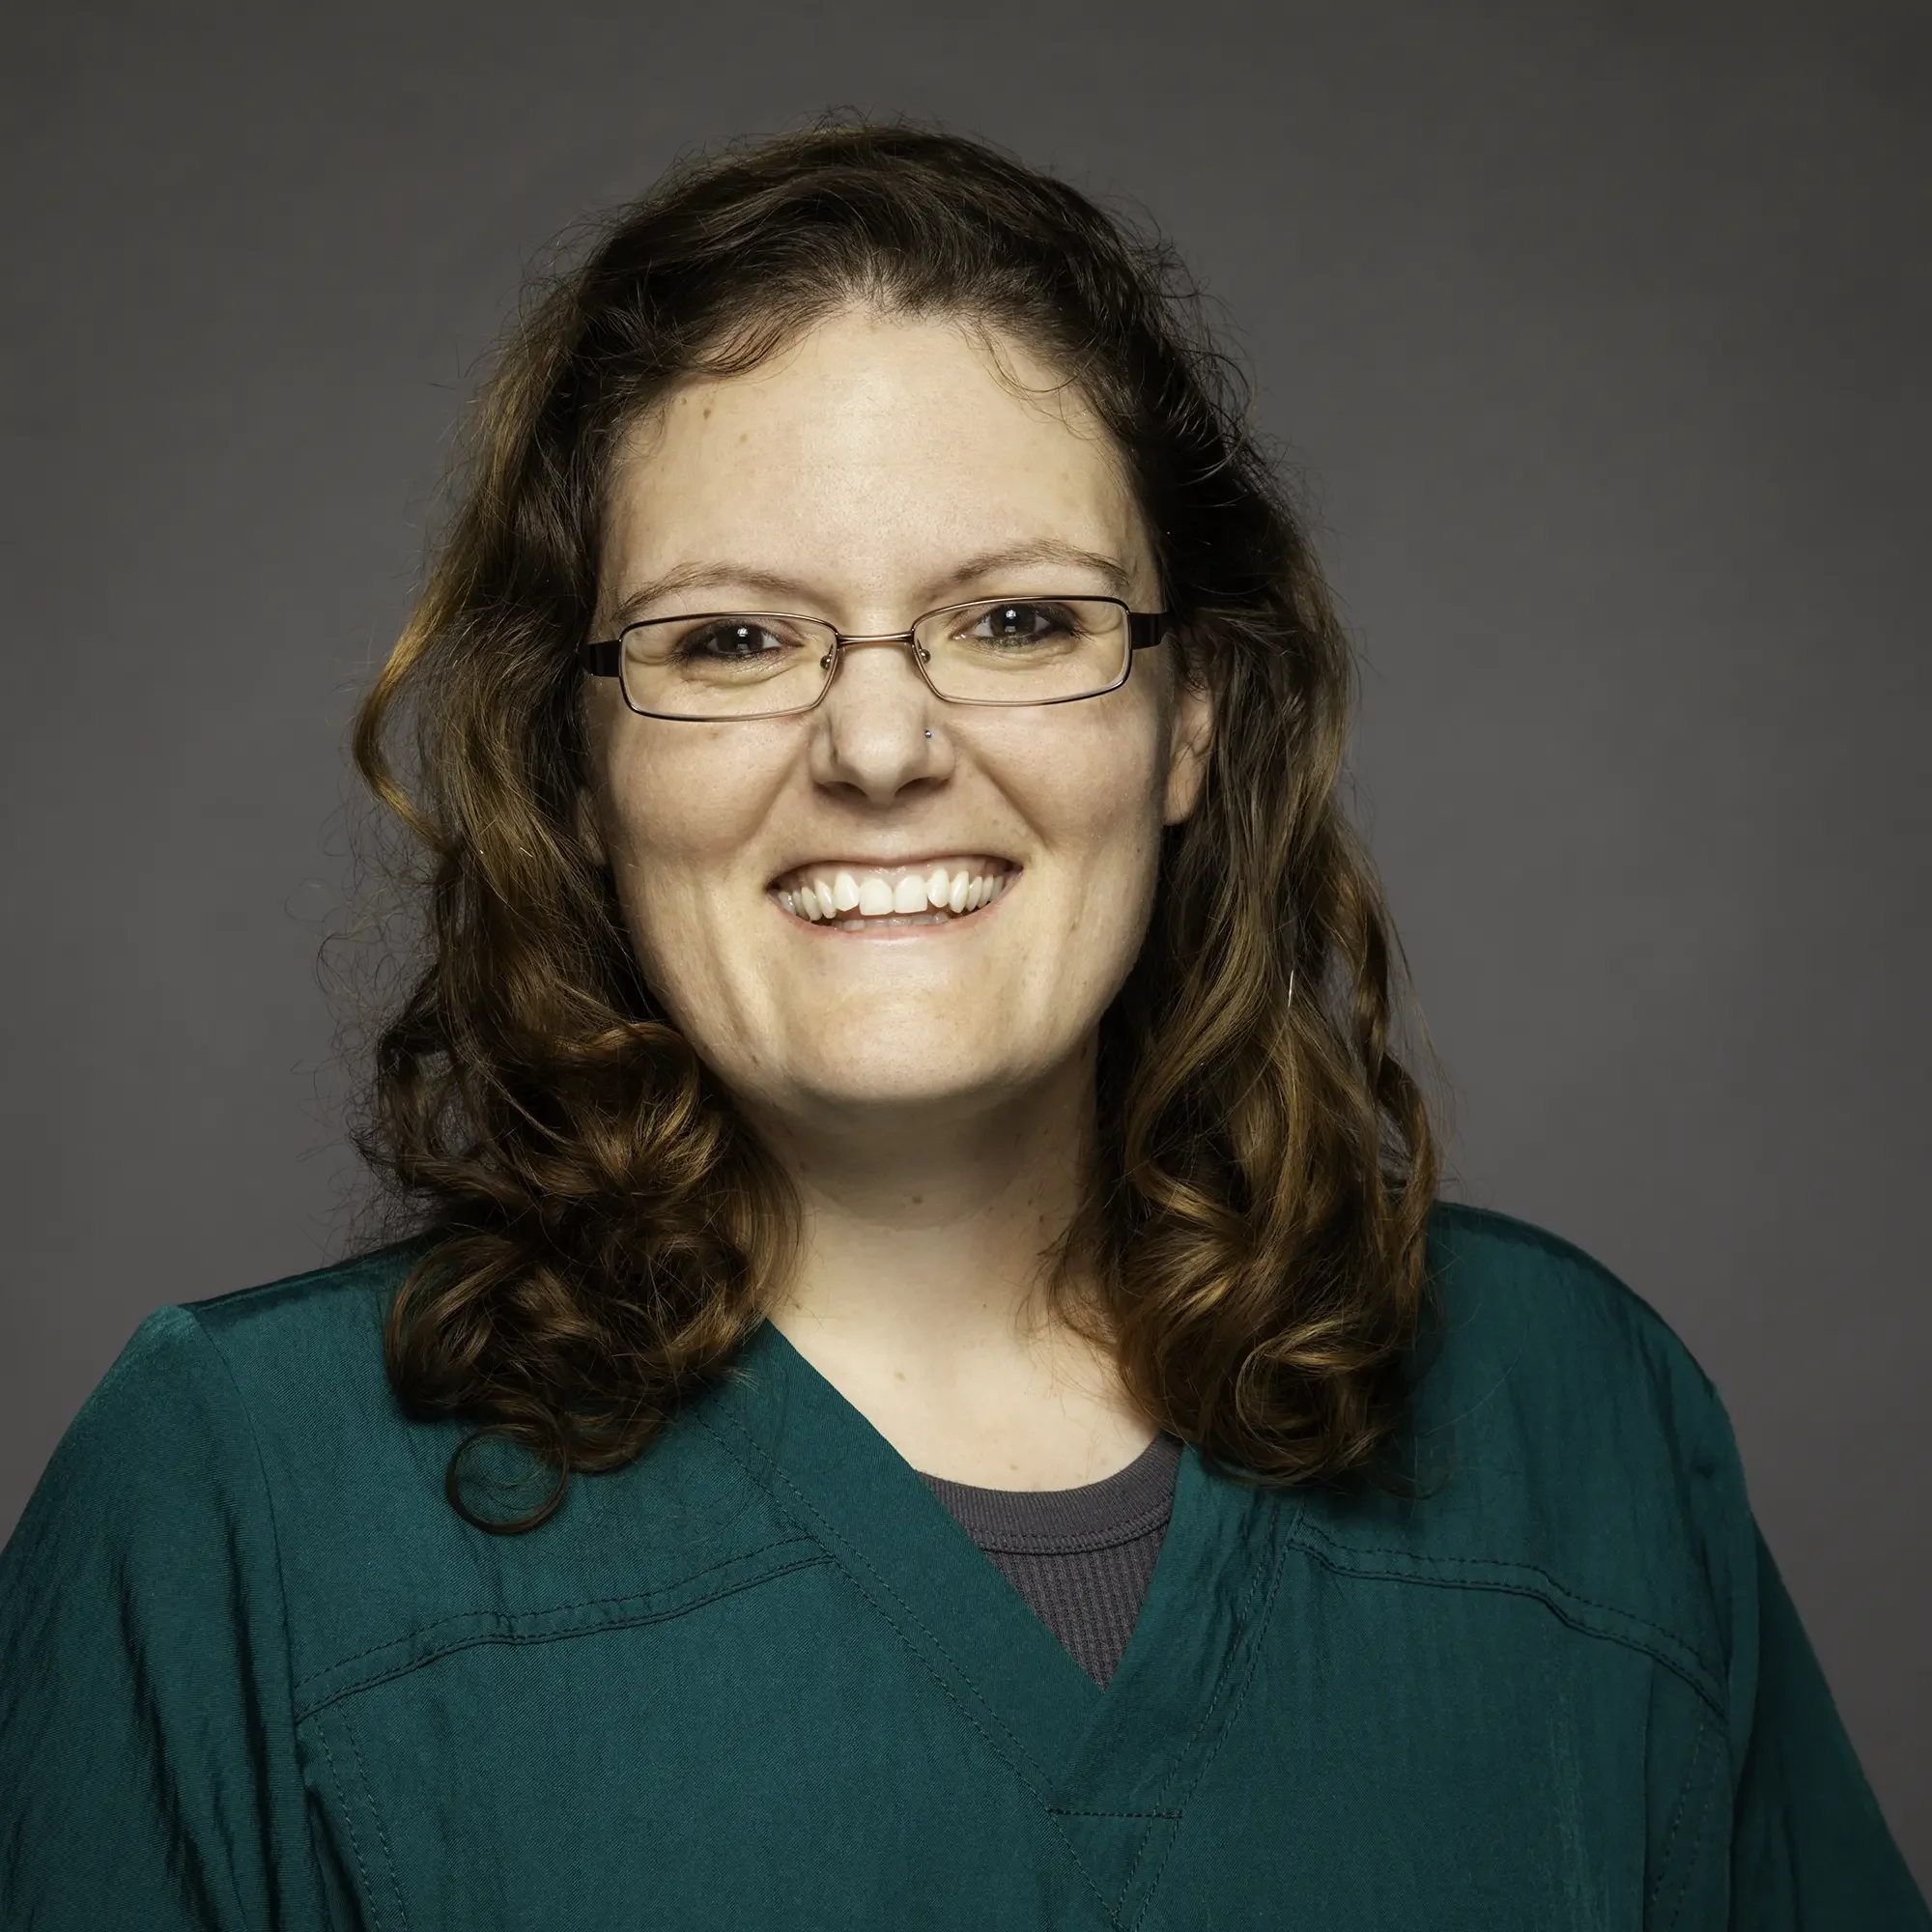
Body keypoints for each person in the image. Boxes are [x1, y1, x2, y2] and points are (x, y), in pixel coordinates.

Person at [1, 122, 1923, 1931]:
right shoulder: (239, 1503)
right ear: (575, 767)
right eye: (730, 639)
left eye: (1015, 621)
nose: (880, 745)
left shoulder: (1569, 1426)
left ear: (1187, 721)